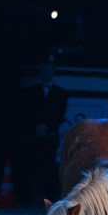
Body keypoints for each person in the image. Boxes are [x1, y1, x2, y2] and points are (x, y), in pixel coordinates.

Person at [13, 59, 68, 206]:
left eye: (49, 71)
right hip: (33, 136)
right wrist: (36, 126)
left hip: (50, 136)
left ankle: (49, 199)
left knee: (49, 167)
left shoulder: (60, 93)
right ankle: (28, 197)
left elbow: (60, 115)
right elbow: (25, 113)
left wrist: (48, 127)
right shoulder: (30, 92)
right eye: (44, 71)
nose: (46, 74)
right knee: (31, 166)